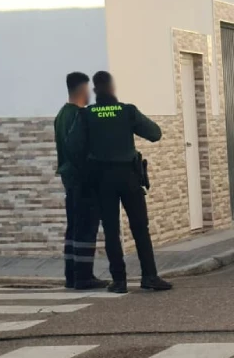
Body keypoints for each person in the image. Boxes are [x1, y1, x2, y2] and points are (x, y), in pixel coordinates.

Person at [68, 71, 172, 293]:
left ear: (95, 90)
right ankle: (150, 276)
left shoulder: (87, 115)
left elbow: (73, 146)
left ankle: (119, 281)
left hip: (102, 180)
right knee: (140, 228)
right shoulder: (127, 111)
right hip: (129, 178)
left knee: (112, 230)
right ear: (113, 88)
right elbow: (155, 133)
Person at [54, 73, 109, 290]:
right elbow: (77, 148)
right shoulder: (78, 115)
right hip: (82, 180)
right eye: (88, 90)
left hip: (70, 180)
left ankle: (72, 275)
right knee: (86, 228)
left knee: (74, 229)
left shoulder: (61, 115)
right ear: (83, 89)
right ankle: (84, 277)